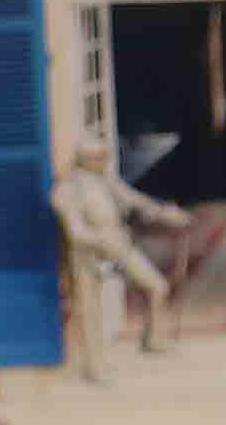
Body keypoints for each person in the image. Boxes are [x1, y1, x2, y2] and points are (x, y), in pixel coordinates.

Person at [56, 142, 189, 368]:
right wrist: (101, 240)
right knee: (90, 309)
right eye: (99, 157)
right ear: (84, 159)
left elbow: (135, 200)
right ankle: (95, 366)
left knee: (157, 287)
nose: (104, 162)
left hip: (119, 246)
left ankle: (152, 339)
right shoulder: (67, 190)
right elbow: (76, 231)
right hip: (88, 253)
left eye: (104, 157)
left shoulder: (105, 180)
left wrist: (165, 213)